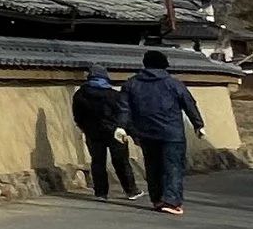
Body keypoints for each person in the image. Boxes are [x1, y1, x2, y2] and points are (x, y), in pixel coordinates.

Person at [120, 49, 207, 214]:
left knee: (152, 167)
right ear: (164, 65)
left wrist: (122, 127)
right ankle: (171, 201)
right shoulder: (173, 83)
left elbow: (124, 108)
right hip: (171, 132)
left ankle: (157, 199)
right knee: (172, 166)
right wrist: (198, 124)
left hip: (145, 132)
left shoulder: (131, 84)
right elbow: (189, 104)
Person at [69, 64, 136, 202]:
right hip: (115, 132)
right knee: (121, 161)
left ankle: (101, 192)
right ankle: (130, 190)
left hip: (92, 133)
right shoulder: (113, 95)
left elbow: (77, 116)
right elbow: (123, 114)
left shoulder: (80, 95)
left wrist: (84, 127)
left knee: (97, 162)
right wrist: (128, 130)